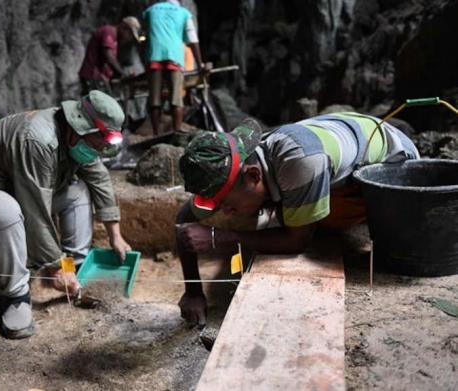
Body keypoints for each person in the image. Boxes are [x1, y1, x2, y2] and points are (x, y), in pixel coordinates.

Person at [175, 112, 420, 326]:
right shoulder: (231, 170)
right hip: (344, 135)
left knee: (322, 220)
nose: (226, 212)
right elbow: (184, 219)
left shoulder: (300, 163)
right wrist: (193, 291)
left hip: (394, 159)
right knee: (289, 212)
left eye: (228, 205)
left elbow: (297, 241)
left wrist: (221, 237)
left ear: (253, 176)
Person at [0, 90, 132, 339]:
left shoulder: (81, 140)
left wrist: (115, 233)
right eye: (100, 142)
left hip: (16, 192)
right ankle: (15, 296)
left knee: (77, 191)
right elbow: (35, 211)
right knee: (5, 210)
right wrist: (54, 266)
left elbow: (99, 177)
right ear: (80, 128)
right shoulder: (38, 140)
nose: (102, 149)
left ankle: (75, 269)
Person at [143, 0, 204, 135]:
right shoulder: (184, 13)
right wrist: (200, 64)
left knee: (155, 97)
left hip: (154, 54)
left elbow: (145, 34)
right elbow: (193, 40)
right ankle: (177, 130)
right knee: (176, 96)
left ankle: (156, 132)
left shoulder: (151, 10)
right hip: (175, 55)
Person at [79, 16, 143, 94]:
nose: (129, 38)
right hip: (92, 75)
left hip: (99, 78)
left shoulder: (115, 39)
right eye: (129, 34)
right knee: (94, 103)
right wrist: (123, 74)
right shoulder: (108, 31)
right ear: (124, 27)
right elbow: (109, 56)